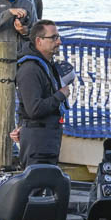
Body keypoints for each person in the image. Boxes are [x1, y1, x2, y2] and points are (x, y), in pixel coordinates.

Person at [15, 20, 69, 167]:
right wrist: (60, 95)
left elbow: (24, 106)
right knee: (37, 178)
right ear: (39, 41)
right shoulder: (30, 70)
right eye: (53, 38)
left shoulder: (45, 64)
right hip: (38, 141)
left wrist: (20, 125)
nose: (59, 42)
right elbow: (34, 109)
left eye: (58, 37)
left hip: (47, 136)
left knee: (47, 177)